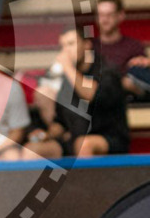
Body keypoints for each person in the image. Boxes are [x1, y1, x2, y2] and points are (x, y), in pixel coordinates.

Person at [24, 26, 129, 159]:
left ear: (87, 45)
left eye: (71, 44)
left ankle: (85, 180)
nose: (66, 50)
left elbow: (90, 95)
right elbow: (61, 122)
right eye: (63, 46)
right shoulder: (68, 78)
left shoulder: (107, 70)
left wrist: (67, 66)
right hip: (73, 140)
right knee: (32, 150)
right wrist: (44, 135)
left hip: (108, 138)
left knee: (83, 144)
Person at [95, 0, 146, 74]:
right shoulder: (89, 47)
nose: (104, 20)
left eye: (109, 14)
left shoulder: (134, 47)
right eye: (101, 15)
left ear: (121, 15)